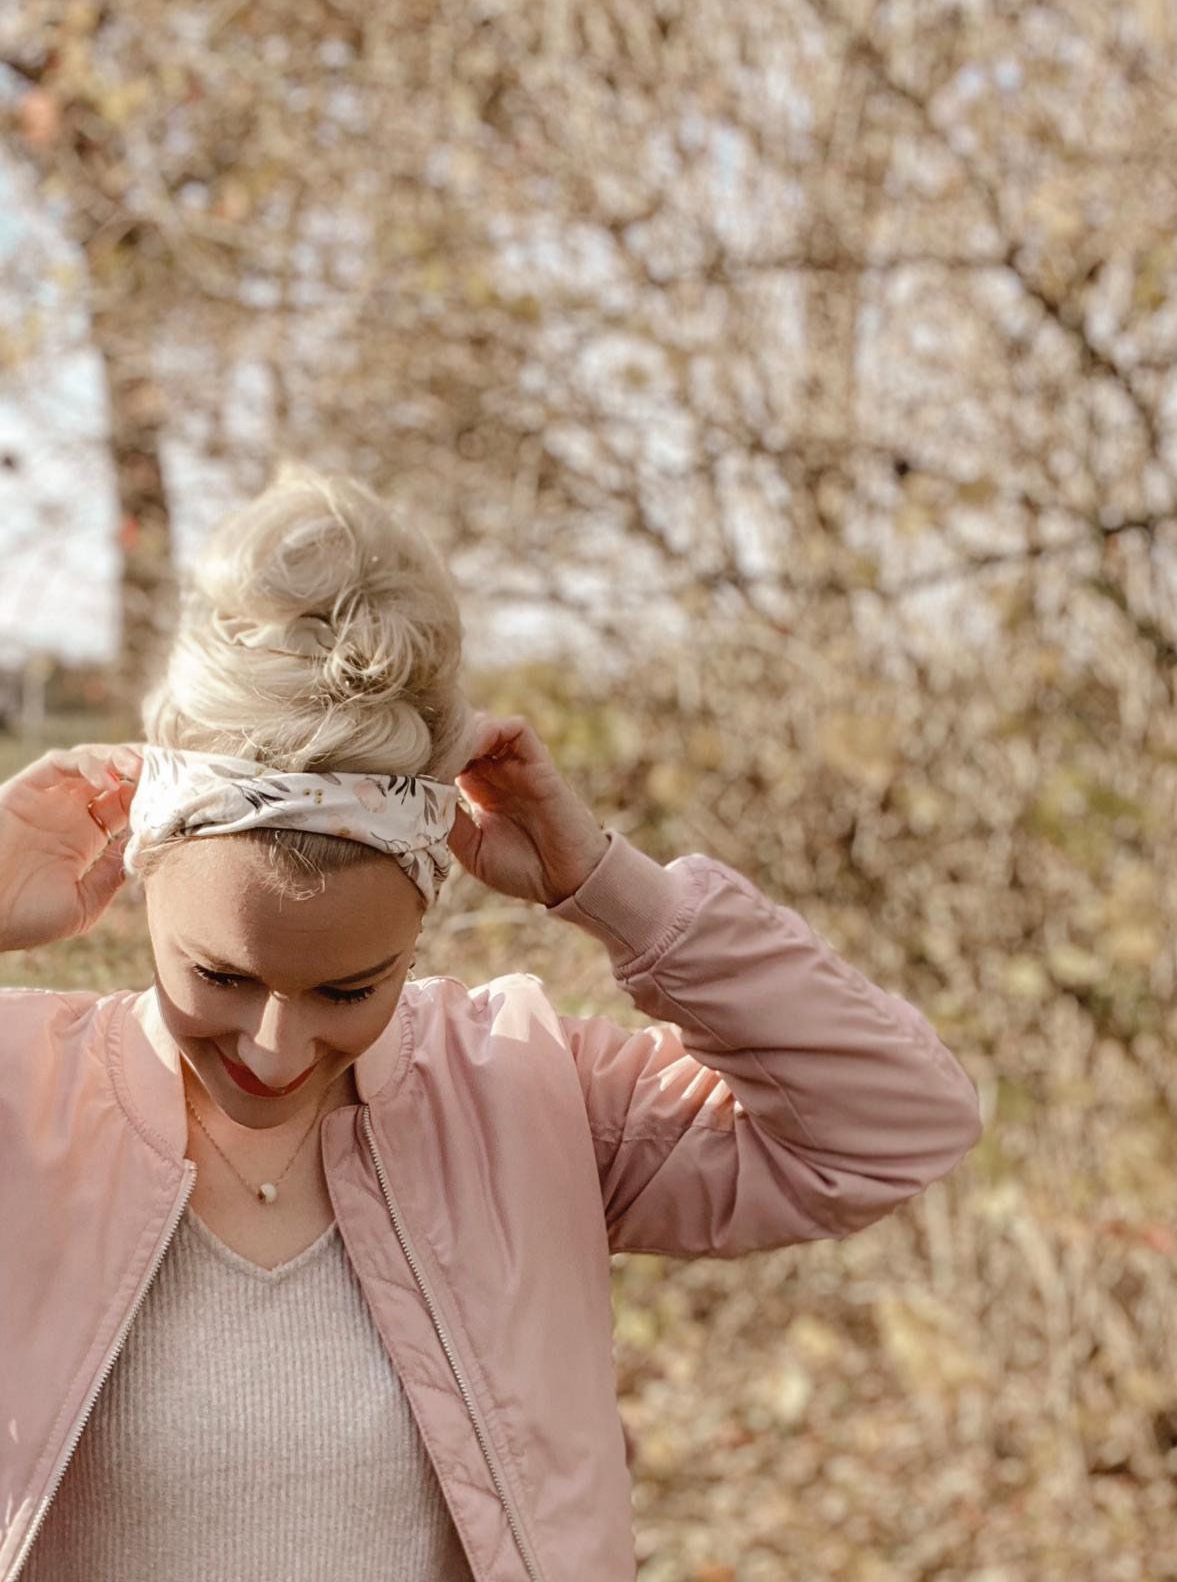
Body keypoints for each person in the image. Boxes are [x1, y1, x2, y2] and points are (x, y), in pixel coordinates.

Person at [0, 466, 982, 1582]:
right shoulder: (22, 1099)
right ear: (138, 869)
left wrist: (613, 886)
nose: (275, 1048)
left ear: (420, 927)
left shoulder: (525, 1096)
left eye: (347, 991)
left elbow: (898, 1122)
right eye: (220, 976)